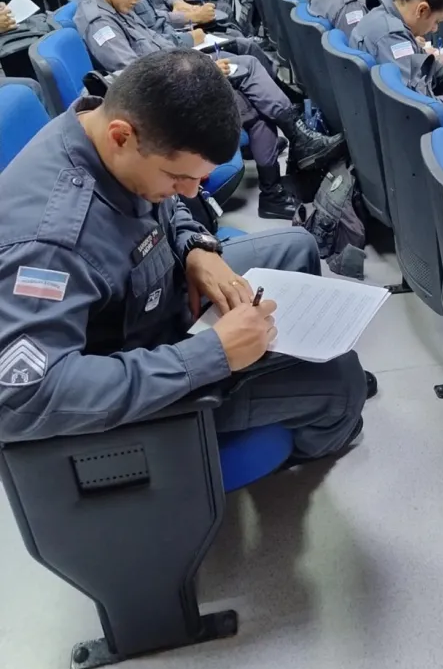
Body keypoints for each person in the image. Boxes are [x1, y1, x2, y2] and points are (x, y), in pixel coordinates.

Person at [0, 51, 369, 455]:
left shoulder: (103, 128)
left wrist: (195, 246)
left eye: (199, 179)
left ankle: (295, 368)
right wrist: (209, 355)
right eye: (178, 178)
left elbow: (168, 207)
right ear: (121, 137)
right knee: (341, 380)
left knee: (298, 248)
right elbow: (19, 402)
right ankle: (286, 446)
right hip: (136, 374)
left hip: (155, 300)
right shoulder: (50, 245)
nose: (192, 192)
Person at [74, 0, 345, 219]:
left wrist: (197, 62)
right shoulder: (100, 23)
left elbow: (157, 46)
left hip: (172, 77)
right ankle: (286, 160)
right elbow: (135, 77)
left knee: (252, 95)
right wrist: (201, 69)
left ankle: (279, 177)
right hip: (160, 101)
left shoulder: (116, 9)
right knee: (251, 85)